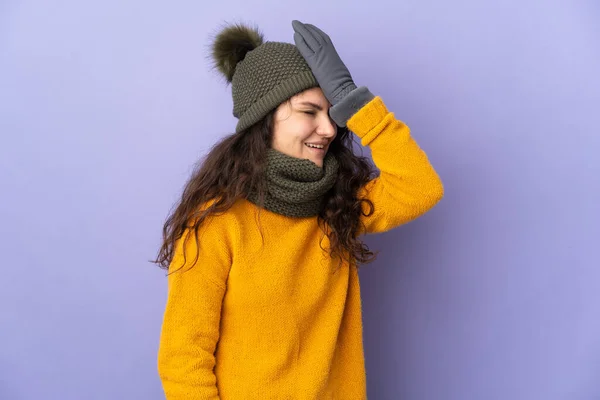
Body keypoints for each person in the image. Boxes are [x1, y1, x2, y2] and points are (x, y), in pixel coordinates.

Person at [153, 19, 444, 399]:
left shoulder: (337, 207)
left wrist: (352, 99)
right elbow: (183, 359)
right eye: (309, 111)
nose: (328, 128)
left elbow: (420, 187)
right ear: (265, 119)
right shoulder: (217, 222)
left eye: (332, 113)